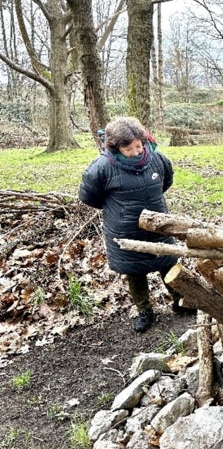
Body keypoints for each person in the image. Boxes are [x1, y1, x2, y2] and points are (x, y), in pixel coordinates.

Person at [79, 117, 189, 333]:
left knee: (168, 262)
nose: (137, 152)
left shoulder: (157, 159)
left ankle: (181, 301)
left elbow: (166, 182)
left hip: (159, 224)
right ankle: (145, 311)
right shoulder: (102, 167)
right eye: (129, 149)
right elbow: (89, 196)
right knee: (135, 271)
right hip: (126, 229)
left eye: (139, 145)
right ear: (115, 147)